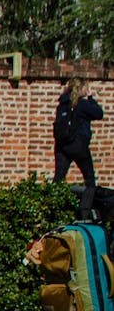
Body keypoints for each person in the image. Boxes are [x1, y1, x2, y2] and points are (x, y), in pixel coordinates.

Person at [53, 77, 104, 219]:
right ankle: (84, 213)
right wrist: (90, 98)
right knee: (90, 182)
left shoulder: (62, 103)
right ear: (82, 88)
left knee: (58, 179)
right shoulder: (82, 104)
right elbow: (99, 114)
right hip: (79, 146)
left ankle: (52, 209)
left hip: (62, 146)